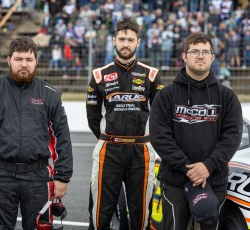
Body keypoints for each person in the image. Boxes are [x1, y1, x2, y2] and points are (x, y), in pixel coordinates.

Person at [0, 37, 73, 229]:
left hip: (38, 176)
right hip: (0, 175)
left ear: (36, 61)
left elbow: (62, 138)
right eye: (18, 59)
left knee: (40, 227)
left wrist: (62, 176)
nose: (24, 64)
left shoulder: (51, 95)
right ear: (8, 60)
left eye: (29, 60)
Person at [149, 32, 243, 230]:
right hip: (175, 182)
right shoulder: (166, 96)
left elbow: (232, 137)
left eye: (205, 52)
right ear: (184, 56)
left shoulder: (227, 97)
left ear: (212, 57)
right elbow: (160, 137)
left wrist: (208, 166)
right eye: (194, 51)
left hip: (214, 180)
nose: (200, 56)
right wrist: (188, 168)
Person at [86, 17, 163, 229]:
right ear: (114, 41)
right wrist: (108, 138)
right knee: (101, 212)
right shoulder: (99, 75)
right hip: (109, 148)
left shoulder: (152, 75)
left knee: (140, 215)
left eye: (130, 39)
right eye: (122, 39)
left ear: (138, 42)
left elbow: (161, 115)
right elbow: (93, 117)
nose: (126, 44)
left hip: (141, 150)